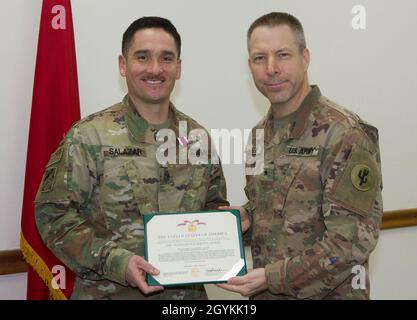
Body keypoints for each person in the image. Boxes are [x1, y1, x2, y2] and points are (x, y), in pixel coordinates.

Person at [35, 16, 229, 300]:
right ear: (122, 65)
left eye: (166, 58)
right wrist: (117, 262)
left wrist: (230, 226)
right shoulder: (89, 136)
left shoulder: (198, 137)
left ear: (178, 68)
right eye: (142, 57)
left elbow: (213, 206)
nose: (155, 69)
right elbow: (51, 215)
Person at [218, 12, 383, 300]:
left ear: (305, 57)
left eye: (283, 55)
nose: (271, 68)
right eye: (260, 58)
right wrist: (247, 217)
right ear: (250, 66)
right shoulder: (260, 136)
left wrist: (273, 277)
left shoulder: (344, 133)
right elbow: (281, 210)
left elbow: (352, 240)